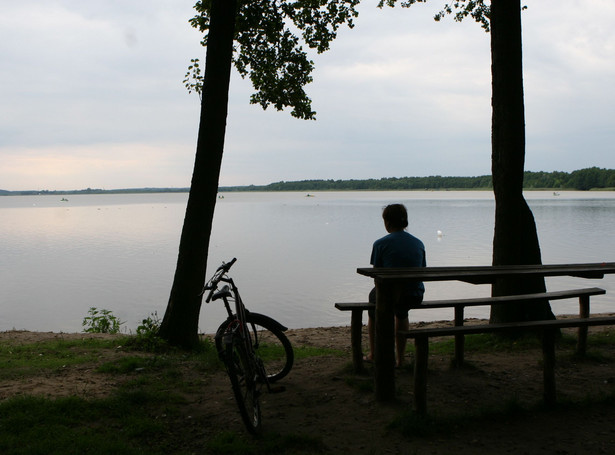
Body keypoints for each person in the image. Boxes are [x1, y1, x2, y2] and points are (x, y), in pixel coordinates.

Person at [365, 204, 426, 367]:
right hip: (415, 295)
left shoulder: (380, 244)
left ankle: (374, 354)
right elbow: (422, 270)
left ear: (388, 222)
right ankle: (400, 359)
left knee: (373, 306)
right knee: (402, 312)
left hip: (391, 295)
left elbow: (376, 275)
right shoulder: (418, 243)